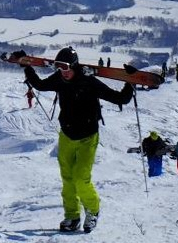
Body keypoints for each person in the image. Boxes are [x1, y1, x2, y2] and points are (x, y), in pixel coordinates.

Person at [25, 46, 135, 233]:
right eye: (59, 68)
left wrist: (129, 81)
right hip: (66, 135)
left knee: (80, 178)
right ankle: (72, 216)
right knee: (67, 179)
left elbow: (119, 98)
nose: (63, 72)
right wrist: (26, 66)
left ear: (74, 66)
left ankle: (93, 210)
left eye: (66, 68)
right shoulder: (59, 79)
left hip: (87, 137)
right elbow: (41, 85)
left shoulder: (89, 82)